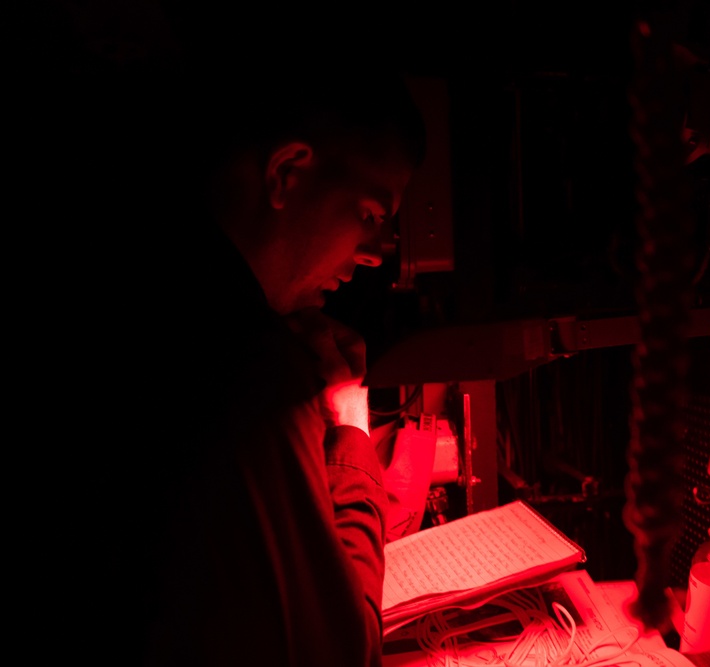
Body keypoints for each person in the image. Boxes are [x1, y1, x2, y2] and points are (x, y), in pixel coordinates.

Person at [29, 8, 427, 665]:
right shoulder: (250, 373)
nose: (381, 249)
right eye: (369, 213)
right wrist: (351, 426)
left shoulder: (120, 286)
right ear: (286, 172)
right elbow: (340, 651)